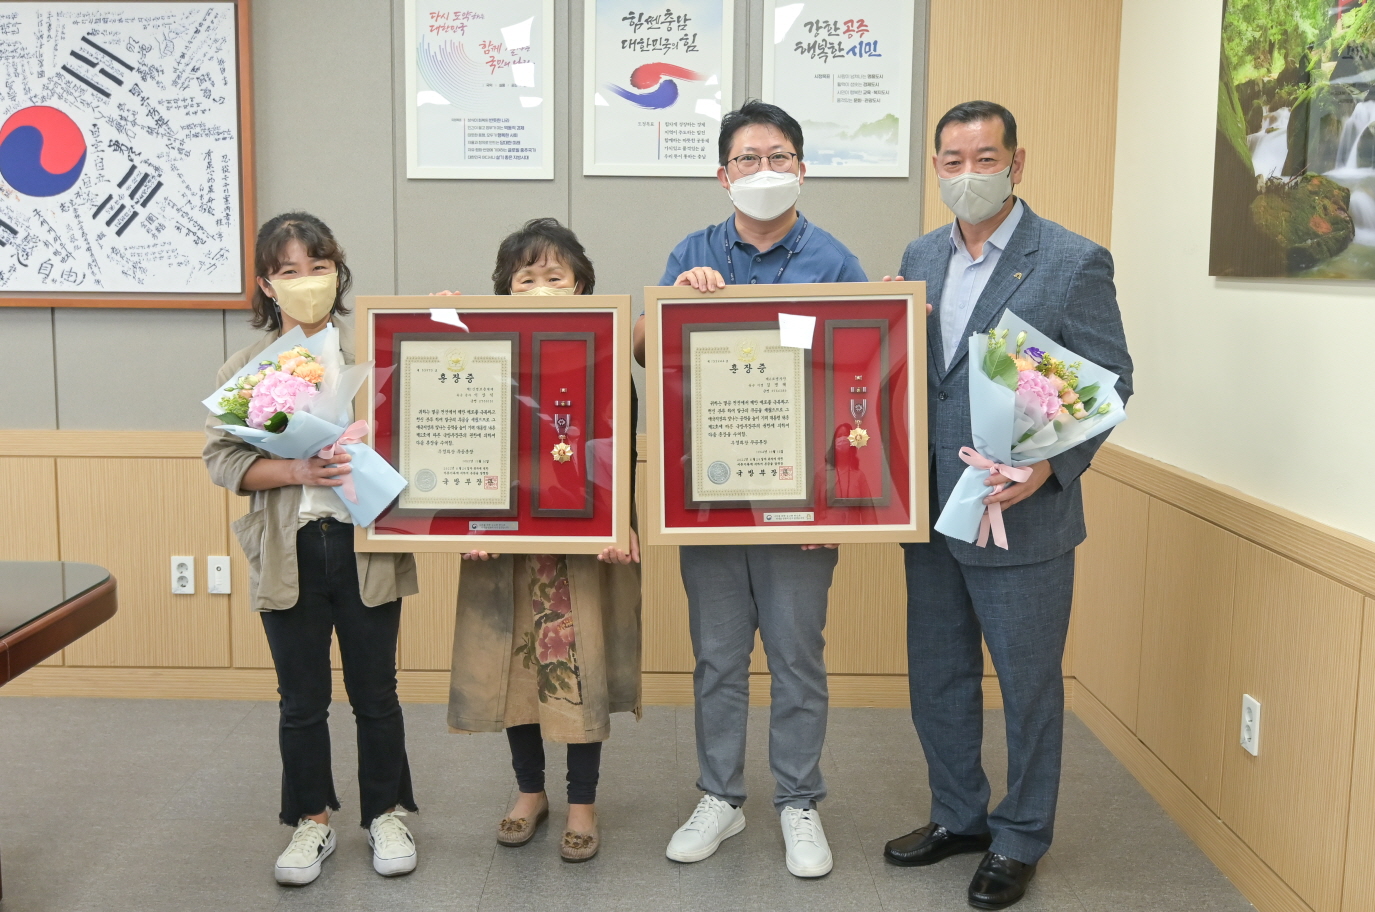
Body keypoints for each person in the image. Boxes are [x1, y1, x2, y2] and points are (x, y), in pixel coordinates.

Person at [881, 101, 1133, 909]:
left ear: (1015, 164)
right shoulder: (919, 255)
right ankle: (958, 815)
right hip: (931, 508)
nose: (968, 176)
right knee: (938, 675)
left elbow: (1111, 383)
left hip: (1022, 514)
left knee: (1027, 687)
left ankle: (1020, 836)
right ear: (935, 168)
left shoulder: (1071, 259)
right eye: (952, 162)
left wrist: (1050, 467)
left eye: (984, 159)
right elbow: (922, 376)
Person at [634, 100, 866, 879]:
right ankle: (720, 798)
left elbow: (862, 372)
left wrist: (841, 503)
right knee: (718, 659)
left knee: (797, 658)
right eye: (746, 159)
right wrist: (673, 300)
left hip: (804, 499)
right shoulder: (693, 251)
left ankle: (798, 800)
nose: (762, 171)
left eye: (777, 157)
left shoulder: (832, 260)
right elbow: (642, 347)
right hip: (710, 496)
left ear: (800, 167)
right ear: (722, 174)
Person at [203, 212, 421, 886]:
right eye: (289, 270)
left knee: (376, 692)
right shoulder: (246, 371)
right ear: (268, 285)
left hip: (364, 548)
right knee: (300, 699)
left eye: (318, 267)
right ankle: (311, 821)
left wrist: (442, 326)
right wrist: (298, 469)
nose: (306, 281)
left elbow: (423, 429)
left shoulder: (377, 350)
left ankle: (385, 812)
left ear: (338, 273)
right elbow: (222, 461)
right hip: (289, 548)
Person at [446, 218, 642, 864]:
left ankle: (583, 802)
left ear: (581, 285)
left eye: (554, 277)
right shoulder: (484, 354)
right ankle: (529, 791)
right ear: (504, 290)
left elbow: (617, 450)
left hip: (583, 538)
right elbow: (460, 440)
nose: (539, 288)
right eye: (524, 278)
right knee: (518, 667)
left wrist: (619, 522)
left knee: (580, 665)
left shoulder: (605, 354)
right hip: (505, 537)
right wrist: (465, 521)